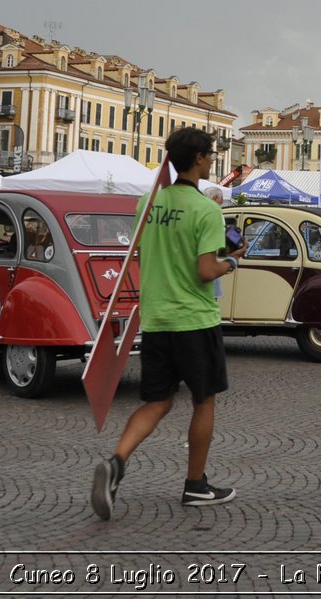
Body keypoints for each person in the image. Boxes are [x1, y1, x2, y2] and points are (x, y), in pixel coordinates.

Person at [91, 127, 248, 521]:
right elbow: (205, 269)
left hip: (157, 318)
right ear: (197, 159)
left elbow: (146, 255)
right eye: (210, 155)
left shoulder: (148, 203)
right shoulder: (207, 211)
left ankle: (117, 461)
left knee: (156, 401)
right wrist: (234, 260)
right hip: (194, 319)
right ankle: (196, 485)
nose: (213, 160)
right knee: (204, 399)